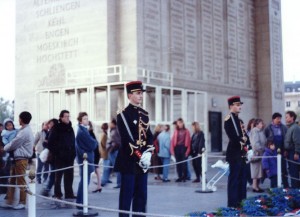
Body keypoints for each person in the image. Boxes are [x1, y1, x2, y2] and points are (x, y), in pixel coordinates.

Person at [114, 81, 154, 217]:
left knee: (141, 195)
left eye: (141, 93)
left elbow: (149, 136)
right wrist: (140, 155)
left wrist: (148, 153)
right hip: (129, 161)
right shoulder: (122, 115)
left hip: (142, 163)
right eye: (138, 93)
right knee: (127, 195)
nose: (141, 95)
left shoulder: (144, 114)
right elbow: (127, 140)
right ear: (129, 95)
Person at [1, 111, 34, 210]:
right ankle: (9, 201)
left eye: (19, 118)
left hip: (21, 159)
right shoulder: (23, 130)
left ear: (22, 119)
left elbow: (14, 143)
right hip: (17, 159)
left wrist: (5, 148)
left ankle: (22, 202)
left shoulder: (24, 132)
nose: (18, 120)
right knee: (12, 180)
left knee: (20, 181)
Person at [224, 96, 247, 208]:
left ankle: (241, 202)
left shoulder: (239, 120)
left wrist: (249, 146)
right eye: (237, 105)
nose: (239, 107)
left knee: (242, 179)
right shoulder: (229, 120)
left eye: (240, 105)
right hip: (234, 153)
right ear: (231, 106)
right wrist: (241, 141)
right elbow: (233, 137)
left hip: (242, 153)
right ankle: (232, 204)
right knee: (234, 179)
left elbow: (244, 134)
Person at [48, 110, 76, 199]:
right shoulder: (56, 128)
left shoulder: (70, 128)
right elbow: (50, 143)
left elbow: (73, 141)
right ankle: (58, 194)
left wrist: (73, 153)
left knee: (69, 176)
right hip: (59, 157)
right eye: (66, 116)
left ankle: (69, 194)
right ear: (61, 117)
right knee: (58, 177)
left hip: (69, 157)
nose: (68, 118)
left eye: (69, 116)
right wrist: (58, 153)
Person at [75, 112, 98, 209]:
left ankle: (81, 202)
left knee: (84, 181)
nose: (86, 120)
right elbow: (93, 144)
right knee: (84, 181)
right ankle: (81, 203)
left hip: (85, 159)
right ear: (80, 120)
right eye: (84, 119)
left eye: (87, 118)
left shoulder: (83, 130)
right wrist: (94, 142)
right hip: (85, 160)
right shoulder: (82, 131)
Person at [264, 112, 288, 188]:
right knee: (274, 166)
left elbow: (286, 138)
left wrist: (285, 150)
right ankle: (274, 185)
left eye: (280, 118)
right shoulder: (268, 128)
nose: (279, 120)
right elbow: (266, 138)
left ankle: (285, 184)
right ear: (273, 119)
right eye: (277, 118)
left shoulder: (284, 127)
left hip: (282, 148)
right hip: (273, 149)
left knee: (283, 166)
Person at [41, 118, 59, 197]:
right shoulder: (50, 132)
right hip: (52, 157)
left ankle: (48, 189)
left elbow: (48, 143)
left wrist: (47, 143)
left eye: (51, 124)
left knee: (53, 174)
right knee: (53, 174)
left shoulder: (55, 132)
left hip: (55, 156)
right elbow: (45, 143)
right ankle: (47, 189)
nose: (49, 125)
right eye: (49, 124)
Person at [171, 118, 191, 182]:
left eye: (180, 123)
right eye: (178, 123)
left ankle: (184, 176)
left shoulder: (186, 131)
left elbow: (188, 142)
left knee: (184, 163)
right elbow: (173, 141)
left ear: (183, 123)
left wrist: (187, 151)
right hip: (177, 148)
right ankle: (179, 176)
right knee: (178, 163)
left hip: (183, 147)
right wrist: (172, 150)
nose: (179, 124)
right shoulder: (176, 131)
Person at [249, 118, 266, 193]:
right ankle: (254, 186)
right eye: (261, 123)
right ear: (257, 124)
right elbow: (255, 143)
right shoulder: (255, 131)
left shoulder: (260, 131)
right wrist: (261, 149)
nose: (262, 125)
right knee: (255, 170)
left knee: (259, 170)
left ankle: (257, 186)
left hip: (260, 153)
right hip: (257, 153)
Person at [284, 111, 300, 188]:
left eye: (287, 117)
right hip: (290, 152)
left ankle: (296, 189)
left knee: (294, 172)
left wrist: (296, 153)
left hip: (293, 152)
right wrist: (286, 151)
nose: (285, 118)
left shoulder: (295, 128)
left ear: (292, 117)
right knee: (292, 170)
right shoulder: (290, 127)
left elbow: (297, 141)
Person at [106, 118, 121, 188]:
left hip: (114, 151)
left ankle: (119, 183)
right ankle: (104, 180)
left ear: (113, 124)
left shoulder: (115, 131)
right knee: (110, 167)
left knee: (117, 167)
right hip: (113, 151)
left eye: (110, 123)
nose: (109, 124)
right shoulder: (114, 130)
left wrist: (111, 147)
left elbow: (117, 142)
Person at [89, 121, 102, 193]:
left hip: (95, 153)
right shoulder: (92, 133)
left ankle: (99, 185)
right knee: (97, 170)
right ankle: (99, 186)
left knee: (96, 169)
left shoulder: (90, 133)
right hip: (96, 153)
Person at [100, 122, 111, 186]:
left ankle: (105, 179)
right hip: (105, 153)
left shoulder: (104, 134)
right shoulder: (104, 134)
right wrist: (107, 148)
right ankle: (103, 181)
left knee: (107, 167)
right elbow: (103, 144)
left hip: (105, 152)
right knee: (106, 168)